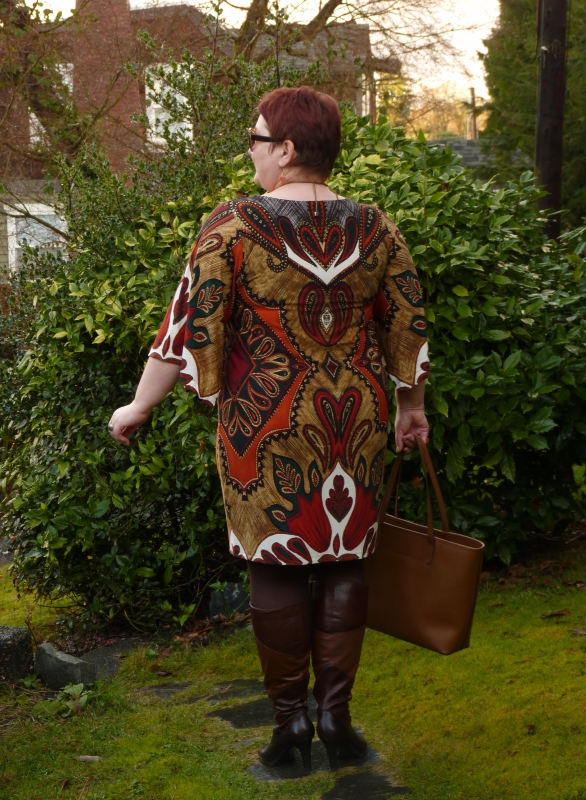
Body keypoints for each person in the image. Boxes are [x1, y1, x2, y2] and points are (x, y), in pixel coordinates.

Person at [108, 86, 429, 772]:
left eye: (256, 140)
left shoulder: (232, 225)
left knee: (275, 562)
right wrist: (411, 407)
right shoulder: (377, 226)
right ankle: (337, 721)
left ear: (285, 150)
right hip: (357, 421)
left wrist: (137, 407)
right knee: (345, 561)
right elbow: (408, 325)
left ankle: (291, 731)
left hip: (267, 422)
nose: (250, 153)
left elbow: (186, 326)